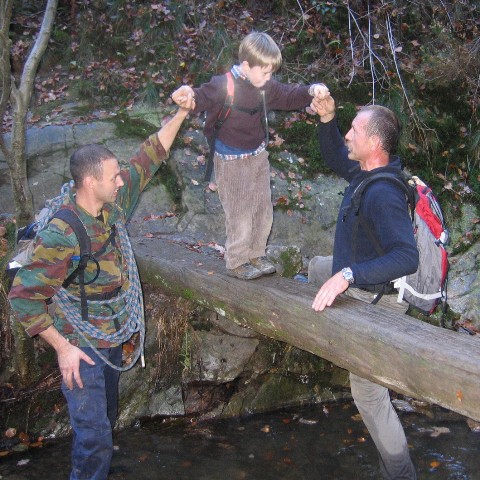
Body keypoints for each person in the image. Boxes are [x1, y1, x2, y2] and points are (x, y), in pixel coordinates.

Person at [8, 99, 194, 480]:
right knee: (93, 436)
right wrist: (63, 349)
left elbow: (150, 154)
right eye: (114, 177)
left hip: (109, 337)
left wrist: (181, 114)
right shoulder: (64, 232)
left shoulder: (112, 208)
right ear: (91, 182)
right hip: (81, 346)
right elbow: (23, 297)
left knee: (105, 420)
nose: (122, 181)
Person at [308, 93, 419, 480]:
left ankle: (401, 474)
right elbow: (337, 156)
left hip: (377, 300)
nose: (348, 136)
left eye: (354, 130)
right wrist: (328, 120)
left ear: (374, 144)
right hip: (353, 279)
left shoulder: (383, 193)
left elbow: (407, 256)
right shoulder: (366, 171)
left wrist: (348, 275)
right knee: (316, 267)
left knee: (369, 395)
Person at [171, 31, 329, 280]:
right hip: (231, 161)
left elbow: (289, 95)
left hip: (257, 155)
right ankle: (236, 260)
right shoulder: (224, 85)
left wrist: (311, 90)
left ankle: (256, 253)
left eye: (271, 73)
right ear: (246, 65)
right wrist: (187, 96)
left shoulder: (264, 85)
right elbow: (200, 97)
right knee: (240, 212)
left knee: (262, 208)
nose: (269, 78)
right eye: (264, 72)